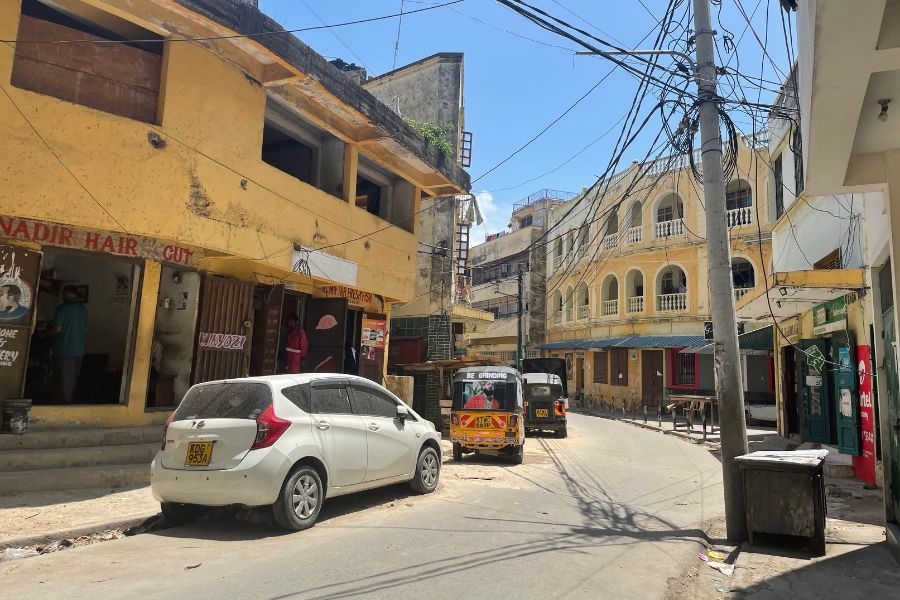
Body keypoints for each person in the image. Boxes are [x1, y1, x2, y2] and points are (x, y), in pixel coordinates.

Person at [50, 286, 88, 403]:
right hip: (79, 350)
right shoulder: (83, 309)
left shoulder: (62, 308)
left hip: (65, 349)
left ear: (67, 294)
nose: (62, 296)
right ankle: (70, 404)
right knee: (72, 381)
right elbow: (85, 329)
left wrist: (47, 332)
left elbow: (57, 329)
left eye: (63, 293)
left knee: (64, 382)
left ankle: (62, 405)